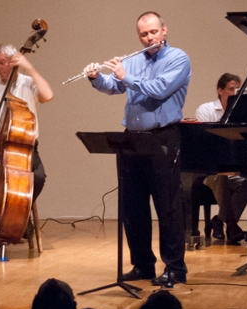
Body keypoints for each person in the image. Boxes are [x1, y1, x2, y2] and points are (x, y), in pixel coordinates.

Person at [83, 11, 190, 285]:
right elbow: (115, 86)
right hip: (132, 139)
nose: (149, 38)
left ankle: (175, 269)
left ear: (164, 30)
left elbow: (160, 88)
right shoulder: (135, 61)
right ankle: (143, 265)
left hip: (162, 137)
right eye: (143, 34)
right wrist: (96, 77)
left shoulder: (178, 58)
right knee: (133, 207)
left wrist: (125, 76)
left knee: (167, 207)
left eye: (153, 32)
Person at [0, 43, 53, 256]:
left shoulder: (28, 83)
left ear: (13, 61)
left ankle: (19, 216)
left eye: (2, 63)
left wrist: (29, 67)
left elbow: (48, 95)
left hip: (23, 147)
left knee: (39, 177)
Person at [194, 73, 247, 243]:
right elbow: (203, 142)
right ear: (220, 90)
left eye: (238, 89)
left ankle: (219, 220)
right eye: (231, 89)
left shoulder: (242, 113)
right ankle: (231, 225)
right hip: (209, 170)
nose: (235, 92)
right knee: (221, 176)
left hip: (234, 169)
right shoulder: (206, 110)